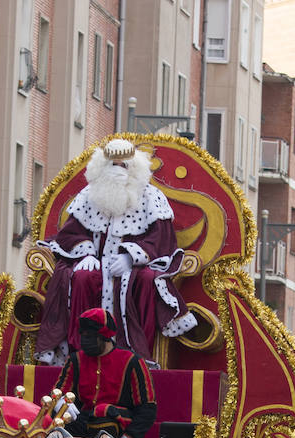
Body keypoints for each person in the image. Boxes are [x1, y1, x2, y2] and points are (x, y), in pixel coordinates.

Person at [34, 138, 197, 364]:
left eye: (124, 165)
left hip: (134, 268)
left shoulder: (151, 197)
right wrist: (86, 252)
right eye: (113, 165)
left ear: (135, 169)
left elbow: (161, 239)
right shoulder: (88, 196)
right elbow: (70, 232)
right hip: (95, 263)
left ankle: (134, 355)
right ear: (102, 166)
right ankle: (79, 352)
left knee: (146, 280)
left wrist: (131, 257)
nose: (118, 170)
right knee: (79, 277)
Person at [50, 308, 157, 438]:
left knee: (105, 419)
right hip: (83, 421)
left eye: (90, 336)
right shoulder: (76, 360)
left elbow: (148, 407)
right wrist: (60, 403)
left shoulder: (132, 362)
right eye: (83, 336)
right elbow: (59, 391)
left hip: (114, 425)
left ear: (105, 336)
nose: (84, 341)